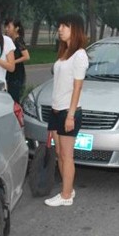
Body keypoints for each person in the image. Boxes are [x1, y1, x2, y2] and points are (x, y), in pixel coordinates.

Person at [44, 14, 89, 207]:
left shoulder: (79, 55)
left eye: (65, 26)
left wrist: (70, 115)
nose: (60, 29)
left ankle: (66, 196)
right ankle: (68, 188)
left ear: (76, 29)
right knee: (59, 153)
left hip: (67, 113)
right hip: (55, 111)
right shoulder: (64, 53)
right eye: (59, 25)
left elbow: (77, 87)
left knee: (66, 156)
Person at [4, 18, 31, 102]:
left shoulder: (18, 40)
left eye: (9, 27)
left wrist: (12, 62)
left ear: (16, 28)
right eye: (6, 27)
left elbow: (26, 56)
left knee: (14, 99)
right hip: (10, 73)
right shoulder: (10, 40)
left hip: (16, 75)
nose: (6, 29)